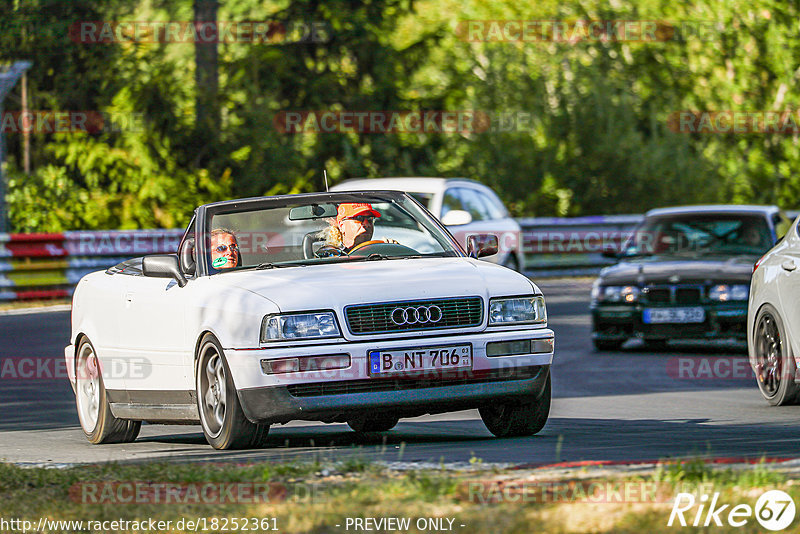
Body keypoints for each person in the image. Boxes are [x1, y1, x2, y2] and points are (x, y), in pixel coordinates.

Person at [320, 202, 393, 255]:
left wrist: (391, 249)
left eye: (370, 218)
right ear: (342, 226)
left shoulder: (380, 250)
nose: (367, 224)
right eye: (359, 218)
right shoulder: (330, 254)